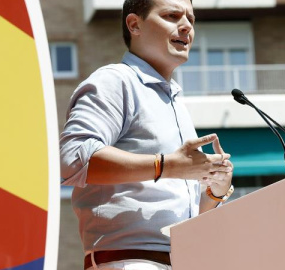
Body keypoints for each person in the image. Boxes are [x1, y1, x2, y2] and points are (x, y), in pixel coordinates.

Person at [59, 0, 234, 269]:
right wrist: (166, 165)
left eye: (191, 18)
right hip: (129, 260)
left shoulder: (173, 99)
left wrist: (214, 192)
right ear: (134, 25)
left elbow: (175, 208)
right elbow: (73, 159)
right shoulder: (115, 81)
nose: (186, 26)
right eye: (172, 15)